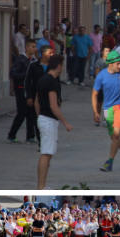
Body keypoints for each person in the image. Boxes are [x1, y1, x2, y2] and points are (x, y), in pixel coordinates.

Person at [35, 55, 73, 189]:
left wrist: (40, 116)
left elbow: (36, 101)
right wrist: (65, 122)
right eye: (62, 65)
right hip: (49, 120)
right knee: (46, 153)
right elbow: (53, 105)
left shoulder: (42, 79)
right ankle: (40, 187)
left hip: (43, 118)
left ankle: (42, 186)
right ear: (58, 66)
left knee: (47, 153)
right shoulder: (52, 81)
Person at [8, 39, 37, 143]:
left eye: (35, 47)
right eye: (32, 46)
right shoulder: (21, 59)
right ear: (27, 47)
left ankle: (30, 136)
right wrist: (26, 75)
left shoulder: (33, 60)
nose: (34, 49)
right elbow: (13, 73)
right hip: (20, 89)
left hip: (29, 90)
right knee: (22, 112)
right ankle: (12, 134)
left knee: (31, 113)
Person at [25, 45, 54, 146]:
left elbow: (57, 83)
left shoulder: (53, 66)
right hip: (35, 97)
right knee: (38, 120)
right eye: (50, 53)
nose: (52, 55)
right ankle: (40, 141)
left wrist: (58, 98)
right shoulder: (34, 66)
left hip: (49, 97)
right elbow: (28, 82)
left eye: (52, 53)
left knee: (49, 119)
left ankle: (47, 140)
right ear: (43, 53)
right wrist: (29, 96)